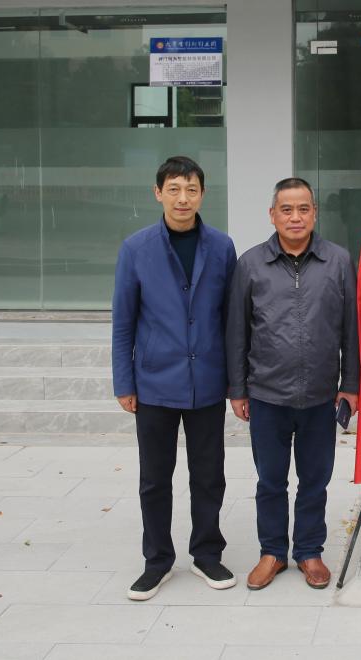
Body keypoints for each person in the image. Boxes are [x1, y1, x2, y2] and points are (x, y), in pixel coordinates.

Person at [112, 156, 238, 601]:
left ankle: (206, 553)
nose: (183, 198)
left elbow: (231, 319)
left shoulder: (221, 247)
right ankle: (157, 560)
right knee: (154, 478)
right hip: (154, 382)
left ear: (202, 194)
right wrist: (124, 382)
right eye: (174, 189)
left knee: (209, 475)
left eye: (191, 190)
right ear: (158, 193)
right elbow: (123, 321)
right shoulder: (136, 249)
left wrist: (236, 381)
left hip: (207, 380)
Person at [226, 177, 358, 591]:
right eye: (286, 209)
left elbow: (351, 328)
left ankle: (309, 551)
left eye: (303, 209)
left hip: (321, 394)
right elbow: (236, 331)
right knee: (270, 480)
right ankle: (272, 553)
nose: (295, 217)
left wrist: (351, 383)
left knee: (315, 480)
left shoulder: (337, 261)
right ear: (272, 215)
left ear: (314, 213)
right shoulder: (250, 264)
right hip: (267, 394)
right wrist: (237, 389)